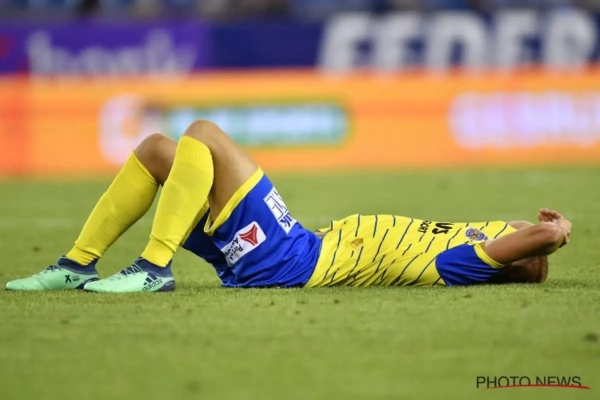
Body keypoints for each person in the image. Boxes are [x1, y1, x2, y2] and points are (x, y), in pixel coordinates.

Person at [5, 121, 571, 292]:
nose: (519, 227)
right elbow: (520, 229)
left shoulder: (466, 263)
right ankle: (76, 264)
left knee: (203, 134)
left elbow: (540, 240)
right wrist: (527, 229)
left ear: (510, 259)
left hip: (293, 258)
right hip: (287, 252)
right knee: (157, 151)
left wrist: (560, 230)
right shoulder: (474, 237)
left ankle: (154, 268)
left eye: (518, 240)